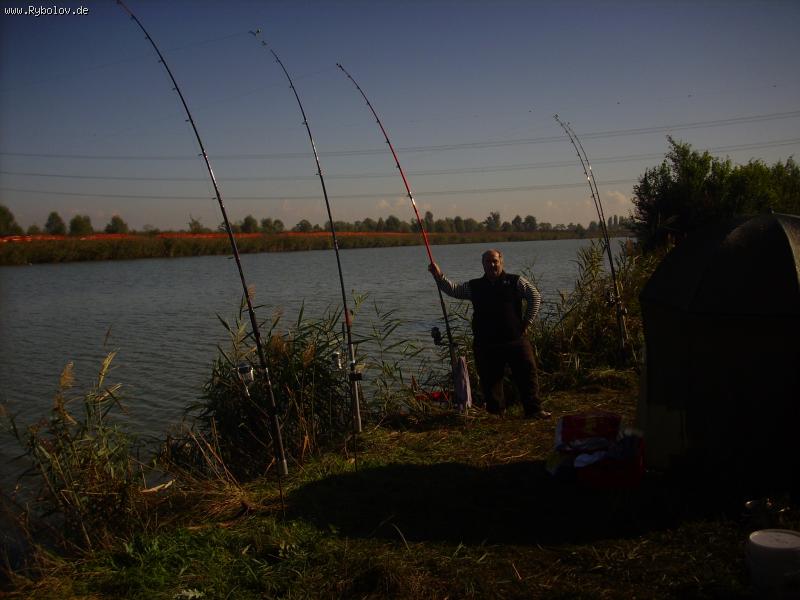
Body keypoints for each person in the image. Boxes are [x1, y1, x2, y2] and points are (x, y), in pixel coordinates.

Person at [429, 249, 551, 419]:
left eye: (494, 261)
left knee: (527, 375)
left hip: (515, 340)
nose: (492, 264)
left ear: (501, 261)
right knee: (490, 381)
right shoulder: (475, 286)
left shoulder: (515, 281)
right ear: (483, 265)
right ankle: (496, 414)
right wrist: (439, 276)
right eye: (488, 262)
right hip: (486, 344)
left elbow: (535, 297)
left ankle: (534, 411)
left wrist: (527, 322)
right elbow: (454, 291)